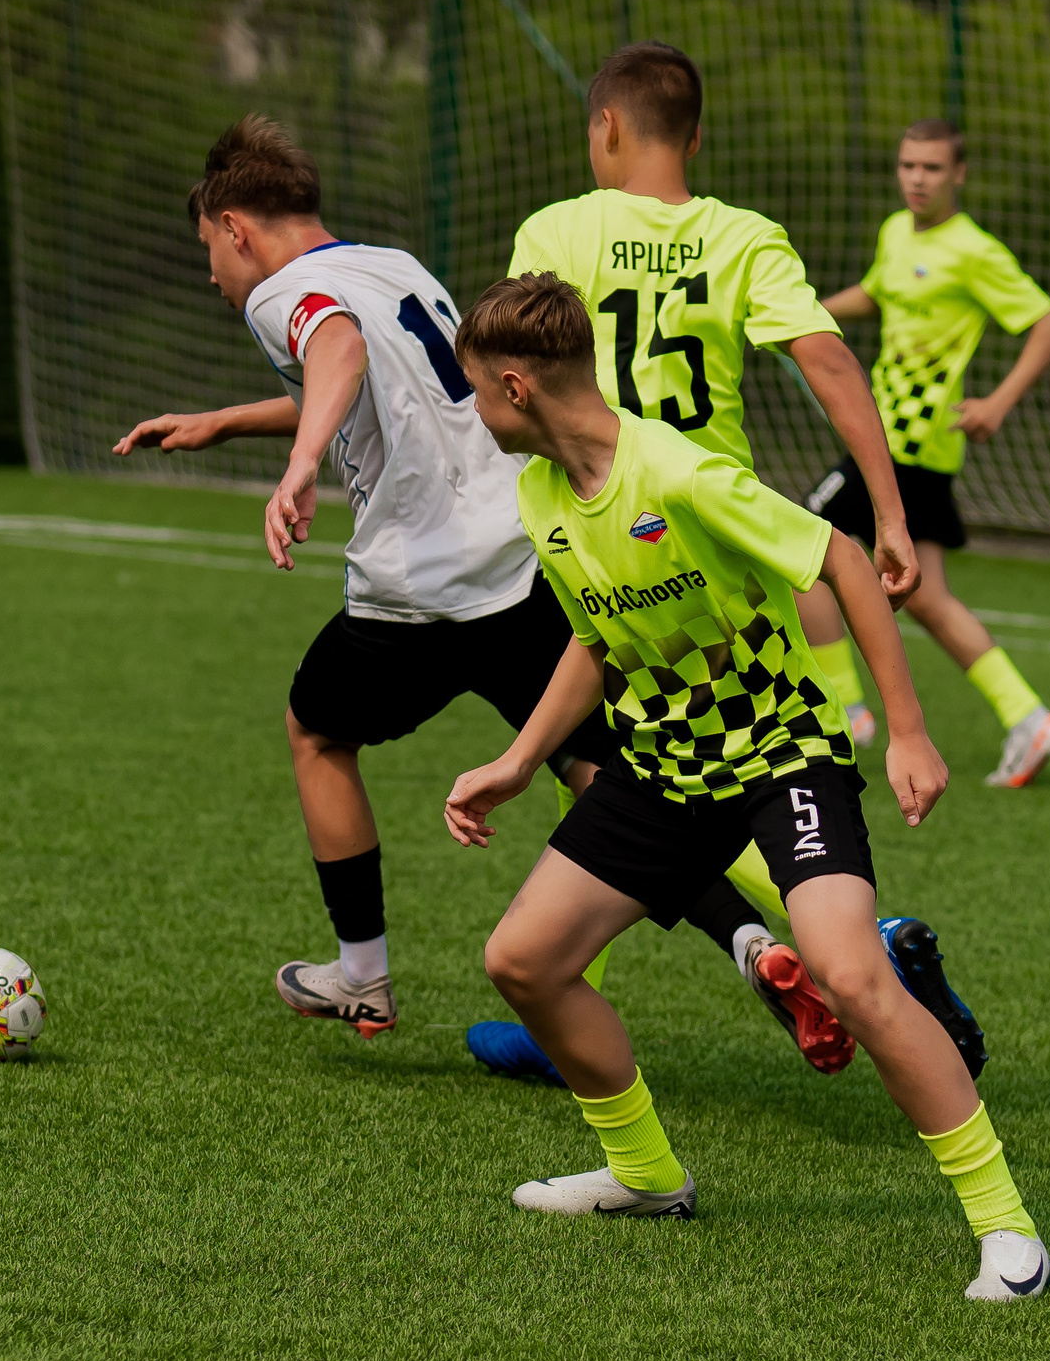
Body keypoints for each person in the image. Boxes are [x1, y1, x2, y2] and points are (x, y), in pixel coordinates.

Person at [110, 117, 839, 1066]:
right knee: (607, 775)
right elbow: (392, 389)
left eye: (208, 248)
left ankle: (361, 972)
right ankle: (755, 944)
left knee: (316, 732)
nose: (212, 274)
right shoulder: (396, 267)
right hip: (521, 563)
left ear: (236, 227)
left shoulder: (281, 294)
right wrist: (226, 422)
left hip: (414, 591)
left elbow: (336, 350)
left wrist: (299, 466)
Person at [442, 271, 1047, 1303]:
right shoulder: (543, 493)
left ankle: (1007, 1228)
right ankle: (645, 1176)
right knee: (524, 961)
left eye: (474, 390)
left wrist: (907, 730)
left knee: (851, 974)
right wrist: (518, 759)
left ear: (515, 386)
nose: (472, 410)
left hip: (780, 754)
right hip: (659, 769)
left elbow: (840, 558)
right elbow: (597, 637)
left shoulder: (679, 472)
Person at [467, 41, 980, 1083]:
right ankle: (799, 950)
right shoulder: (742, 236)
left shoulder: (557, 229)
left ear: (606, 127)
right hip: (730, 541)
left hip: (610, 520)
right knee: (692, 754)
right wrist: (887, 510)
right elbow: (827, 359)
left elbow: (522, 356)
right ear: (694, 138)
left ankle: (837, 953)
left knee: (652, 757)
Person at [798, 119, 1050, 788]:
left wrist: (997, 403)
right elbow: (878, 293)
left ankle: (845, 710)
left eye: (932, 168)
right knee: (928, 598)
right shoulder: (896, 231)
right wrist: (804, 316)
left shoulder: (973, 250)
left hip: (911, 442)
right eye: (908, 165)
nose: (917, 179)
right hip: (893, 440)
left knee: (801, 546)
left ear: (959, 175)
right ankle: (1028, 717)